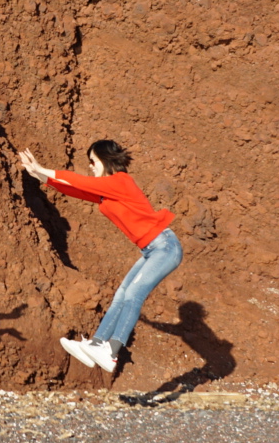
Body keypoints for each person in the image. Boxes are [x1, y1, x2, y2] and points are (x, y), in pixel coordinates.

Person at [19, 140, 181, 373]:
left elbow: (79, 181)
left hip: (164, 247)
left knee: (133, 294)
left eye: (93, 161)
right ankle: (97, 344)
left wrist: (43, 168)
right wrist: (37, 174)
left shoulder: (121, 182)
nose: (91, 166)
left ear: (105, 160)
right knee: (121, 295)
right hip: (151, 249)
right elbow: (74, 189)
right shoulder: (108, 191)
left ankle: (111, 352)